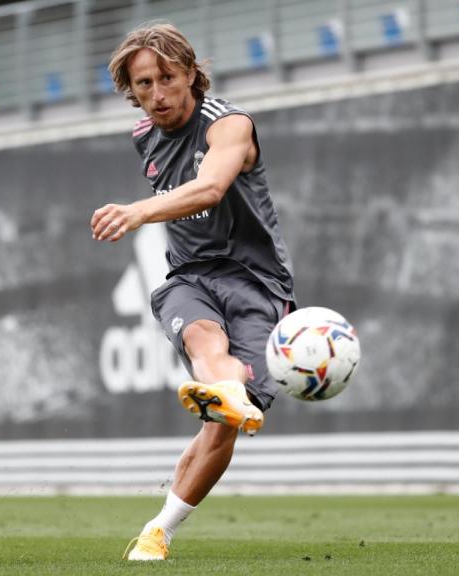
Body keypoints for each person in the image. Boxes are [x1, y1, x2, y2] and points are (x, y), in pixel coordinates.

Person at [91, 22, 296, 561]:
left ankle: (161, 525)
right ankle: (227, 395)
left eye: (167, 78)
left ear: (190, 75)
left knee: (222, 424)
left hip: (257, 282)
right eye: (142, 84)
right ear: (129, 90)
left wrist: (136, 212)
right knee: (205, 340)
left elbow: (209, 187)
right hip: (191, 277)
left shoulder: (229, 125)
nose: (156, 94)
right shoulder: (144, 137)